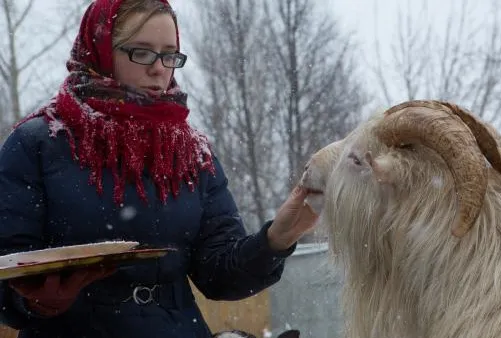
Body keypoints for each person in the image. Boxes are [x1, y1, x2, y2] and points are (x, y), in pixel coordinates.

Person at [0, 0, 317, 337]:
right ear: (101, 51)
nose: (159, 68)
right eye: (142, 52)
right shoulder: (40, 142)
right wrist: (34, 301)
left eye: (169, 54)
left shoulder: (193, 152)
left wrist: (276, 239)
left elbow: (220, 276)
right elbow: (6, 265)